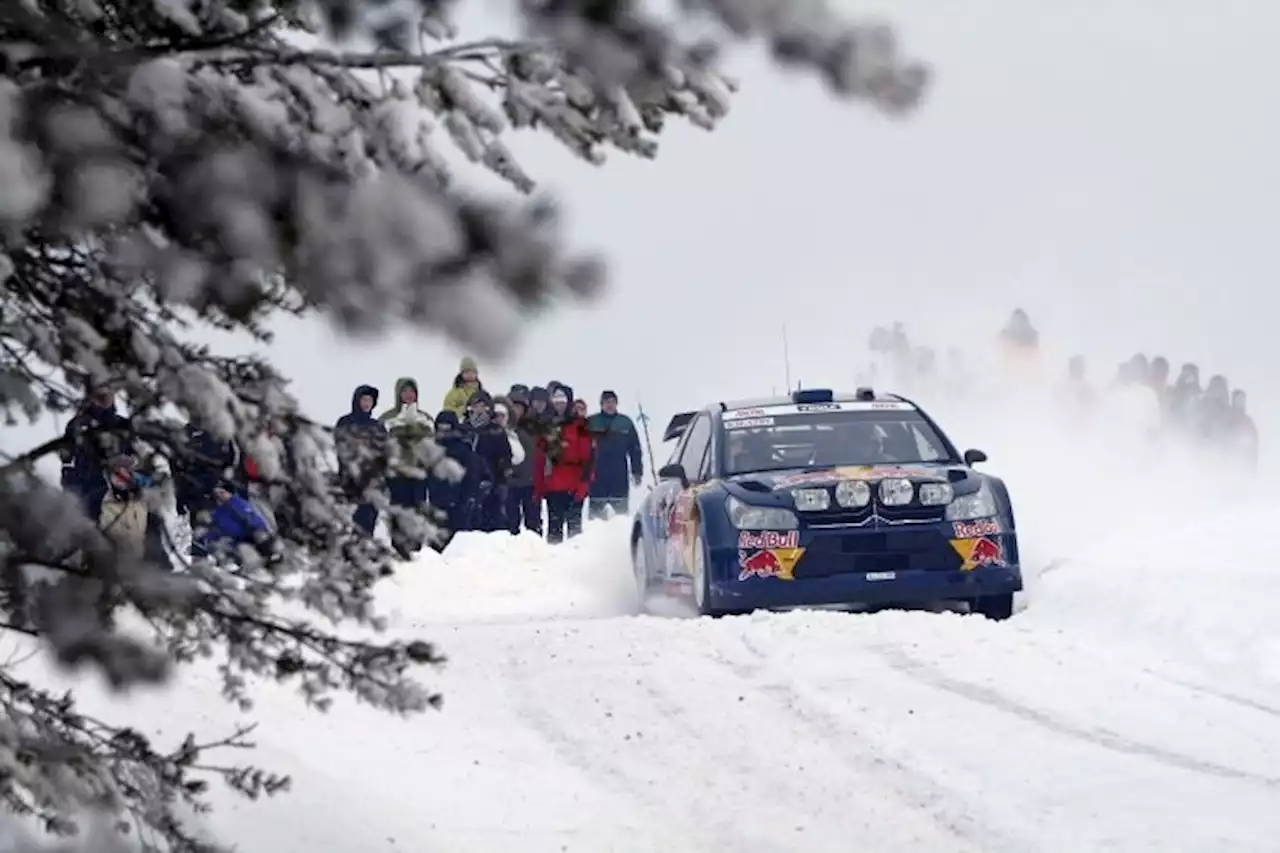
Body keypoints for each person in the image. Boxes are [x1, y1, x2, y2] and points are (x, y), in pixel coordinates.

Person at [61, 387, 132, 519]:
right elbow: (67, 461)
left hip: (116, 497)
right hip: (84, 491)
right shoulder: (77, 425)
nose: (103, 400)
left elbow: (135, 461)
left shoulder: (123, 426)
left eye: (107, 396)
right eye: (100, 396)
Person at [535, 388, 593, 543]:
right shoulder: (547, 424)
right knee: (554, 530)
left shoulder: (581, 426)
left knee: (574, 532)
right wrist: (540, 487)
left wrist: (583, 486)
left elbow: (589, 459)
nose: (559, 406)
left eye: (562, 402)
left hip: (574, 483)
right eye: (556, 402)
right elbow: (540, 457)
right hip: (553, 485)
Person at [427, 410, 485, 547]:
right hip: (436, 503)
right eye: (440, 428)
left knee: (458, 545)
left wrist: (469, 498)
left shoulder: (463, 450)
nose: (443, 432)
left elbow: (472, 476)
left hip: (458, 504)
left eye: (447, 428)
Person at [335, 384, 386, 535]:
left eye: (370, 401)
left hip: (372, 484)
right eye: (364, 400)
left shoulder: (378, 427)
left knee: (368, 523)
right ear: (357, 400)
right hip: (349, 483)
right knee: (349, 524)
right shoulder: (345, 422)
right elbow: (341, 450)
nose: (366, 404)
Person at [462, 392, 517, 532]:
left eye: (483, 406)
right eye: (476, 405)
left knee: (492, 521)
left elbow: (506, 455)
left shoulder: (496, 430)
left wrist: (503, 475)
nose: (479, 409)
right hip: (466, 483)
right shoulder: (463, 429)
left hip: (492, 482)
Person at [585, 390, 643, 519]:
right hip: (597, 476)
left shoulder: (625, 422)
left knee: (620, 516)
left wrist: (637, 471)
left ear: (616, 403)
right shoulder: (592, 422)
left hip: (619, 475)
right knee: (596, 518)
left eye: (612, 402)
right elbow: (583, 449)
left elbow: (635, 449)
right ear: (601, 404)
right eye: (606, 402)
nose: (609, 405)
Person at [172, 418, 240, 525]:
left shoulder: (220, 430)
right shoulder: (187, 431)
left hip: (215, 484)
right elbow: (176, 458)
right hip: (192, 486)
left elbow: (232, 458)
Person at [192, 480, 274, 561]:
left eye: (260, 540)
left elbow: (220, 532)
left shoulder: (239, 537)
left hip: (208, 511)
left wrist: (205, 534)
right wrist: (225, 494)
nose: (260, 536)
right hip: (222, 495)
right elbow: (238, 503)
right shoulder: (256, 521)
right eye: (264, 536)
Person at [97, 454, 152, 564]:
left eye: (125, 471)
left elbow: (152, 537)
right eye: (116, 474)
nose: (121, 477)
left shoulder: (142, 502)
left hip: (141, 568)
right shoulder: (104, 504)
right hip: (117, 566)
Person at [504, 393, 540, 535]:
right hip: (510, 481)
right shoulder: (503, 427)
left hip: (530, 480)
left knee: (533, 521)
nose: (516, 411)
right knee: (511, 521)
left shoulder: (532, 427)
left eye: (519, 408)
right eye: (513, 408)